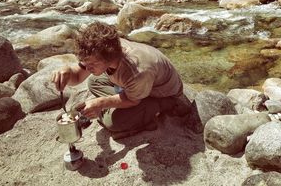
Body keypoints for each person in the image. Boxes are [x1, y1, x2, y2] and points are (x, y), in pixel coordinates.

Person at [52, 21, 192, 139]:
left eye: (92, 64)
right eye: (85, 63)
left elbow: (133, 100)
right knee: (94, 81)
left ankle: (159, 108)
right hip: (138, 87)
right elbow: (77, 76)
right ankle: (127, 111)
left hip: (162, 93)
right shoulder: (101, 51)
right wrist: (67, 72)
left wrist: (101, 103)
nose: (87, 68)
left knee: (113, 123)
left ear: (108, 57)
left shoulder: (136, 70)